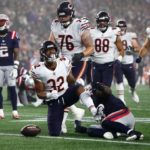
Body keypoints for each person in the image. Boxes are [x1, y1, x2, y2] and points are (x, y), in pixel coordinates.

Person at [31, 41, 100, 136]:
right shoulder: (37, 69)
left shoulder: (64, 62)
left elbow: (71, 81)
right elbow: (40, 93)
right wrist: (49, 94)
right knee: (54, 133)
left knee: (79, 87)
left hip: (66, 94)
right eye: (48, 50)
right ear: (43, 53)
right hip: (54, 101)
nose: (51, 52)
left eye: (53, 50)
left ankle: (94, 110)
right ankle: (76, 114)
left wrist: (78, 83)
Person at [49, 1, 94, 133]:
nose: (62, 18)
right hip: (63, 62)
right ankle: (76, 113)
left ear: (71, 14)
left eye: (65, 16)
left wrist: (80, 54)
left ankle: (93, 110)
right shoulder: (55, 24)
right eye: (60, 16)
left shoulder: (79, 25)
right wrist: (49, 54)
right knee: (59, 90)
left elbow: (90, 47)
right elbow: (50, 43)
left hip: (78, 61)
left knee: (70, 89)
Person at [90, 11, 124, 88]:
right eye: (100, 21)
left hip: (108, 64)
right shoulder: (91, 31)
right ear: (97, 21)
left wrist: (119, 59)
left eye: (104, 21)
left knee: (105, 89)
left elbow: (121, 49)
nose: (102, 23)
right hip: (95, 63)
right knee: (95, 89)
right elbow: (86, 45)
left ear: (108, 21)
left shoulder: (114, 31)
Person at [115, 20, 141, 103]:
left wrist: (132, 49)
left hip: (128, 63)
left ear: (125, 27)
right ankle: (121, 99)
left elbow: (138, 48)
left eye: (123, 27)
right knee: (119, 81)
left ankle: (133, 91)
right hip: (118, 62)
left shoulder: (130, 36)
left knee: (132, 83)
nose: (121, 28)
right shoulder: (113, 35)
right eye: (120, 27)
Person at [0, 14, 20, 119]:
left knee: (12, 88)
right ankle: (0, 111)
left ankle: (15, 111)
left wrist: (16, 67)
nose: (1, 23)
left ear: (7, 23)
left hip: (10, 65)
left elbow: (16, 51)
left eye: (2, 21)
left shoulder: (12, 35)